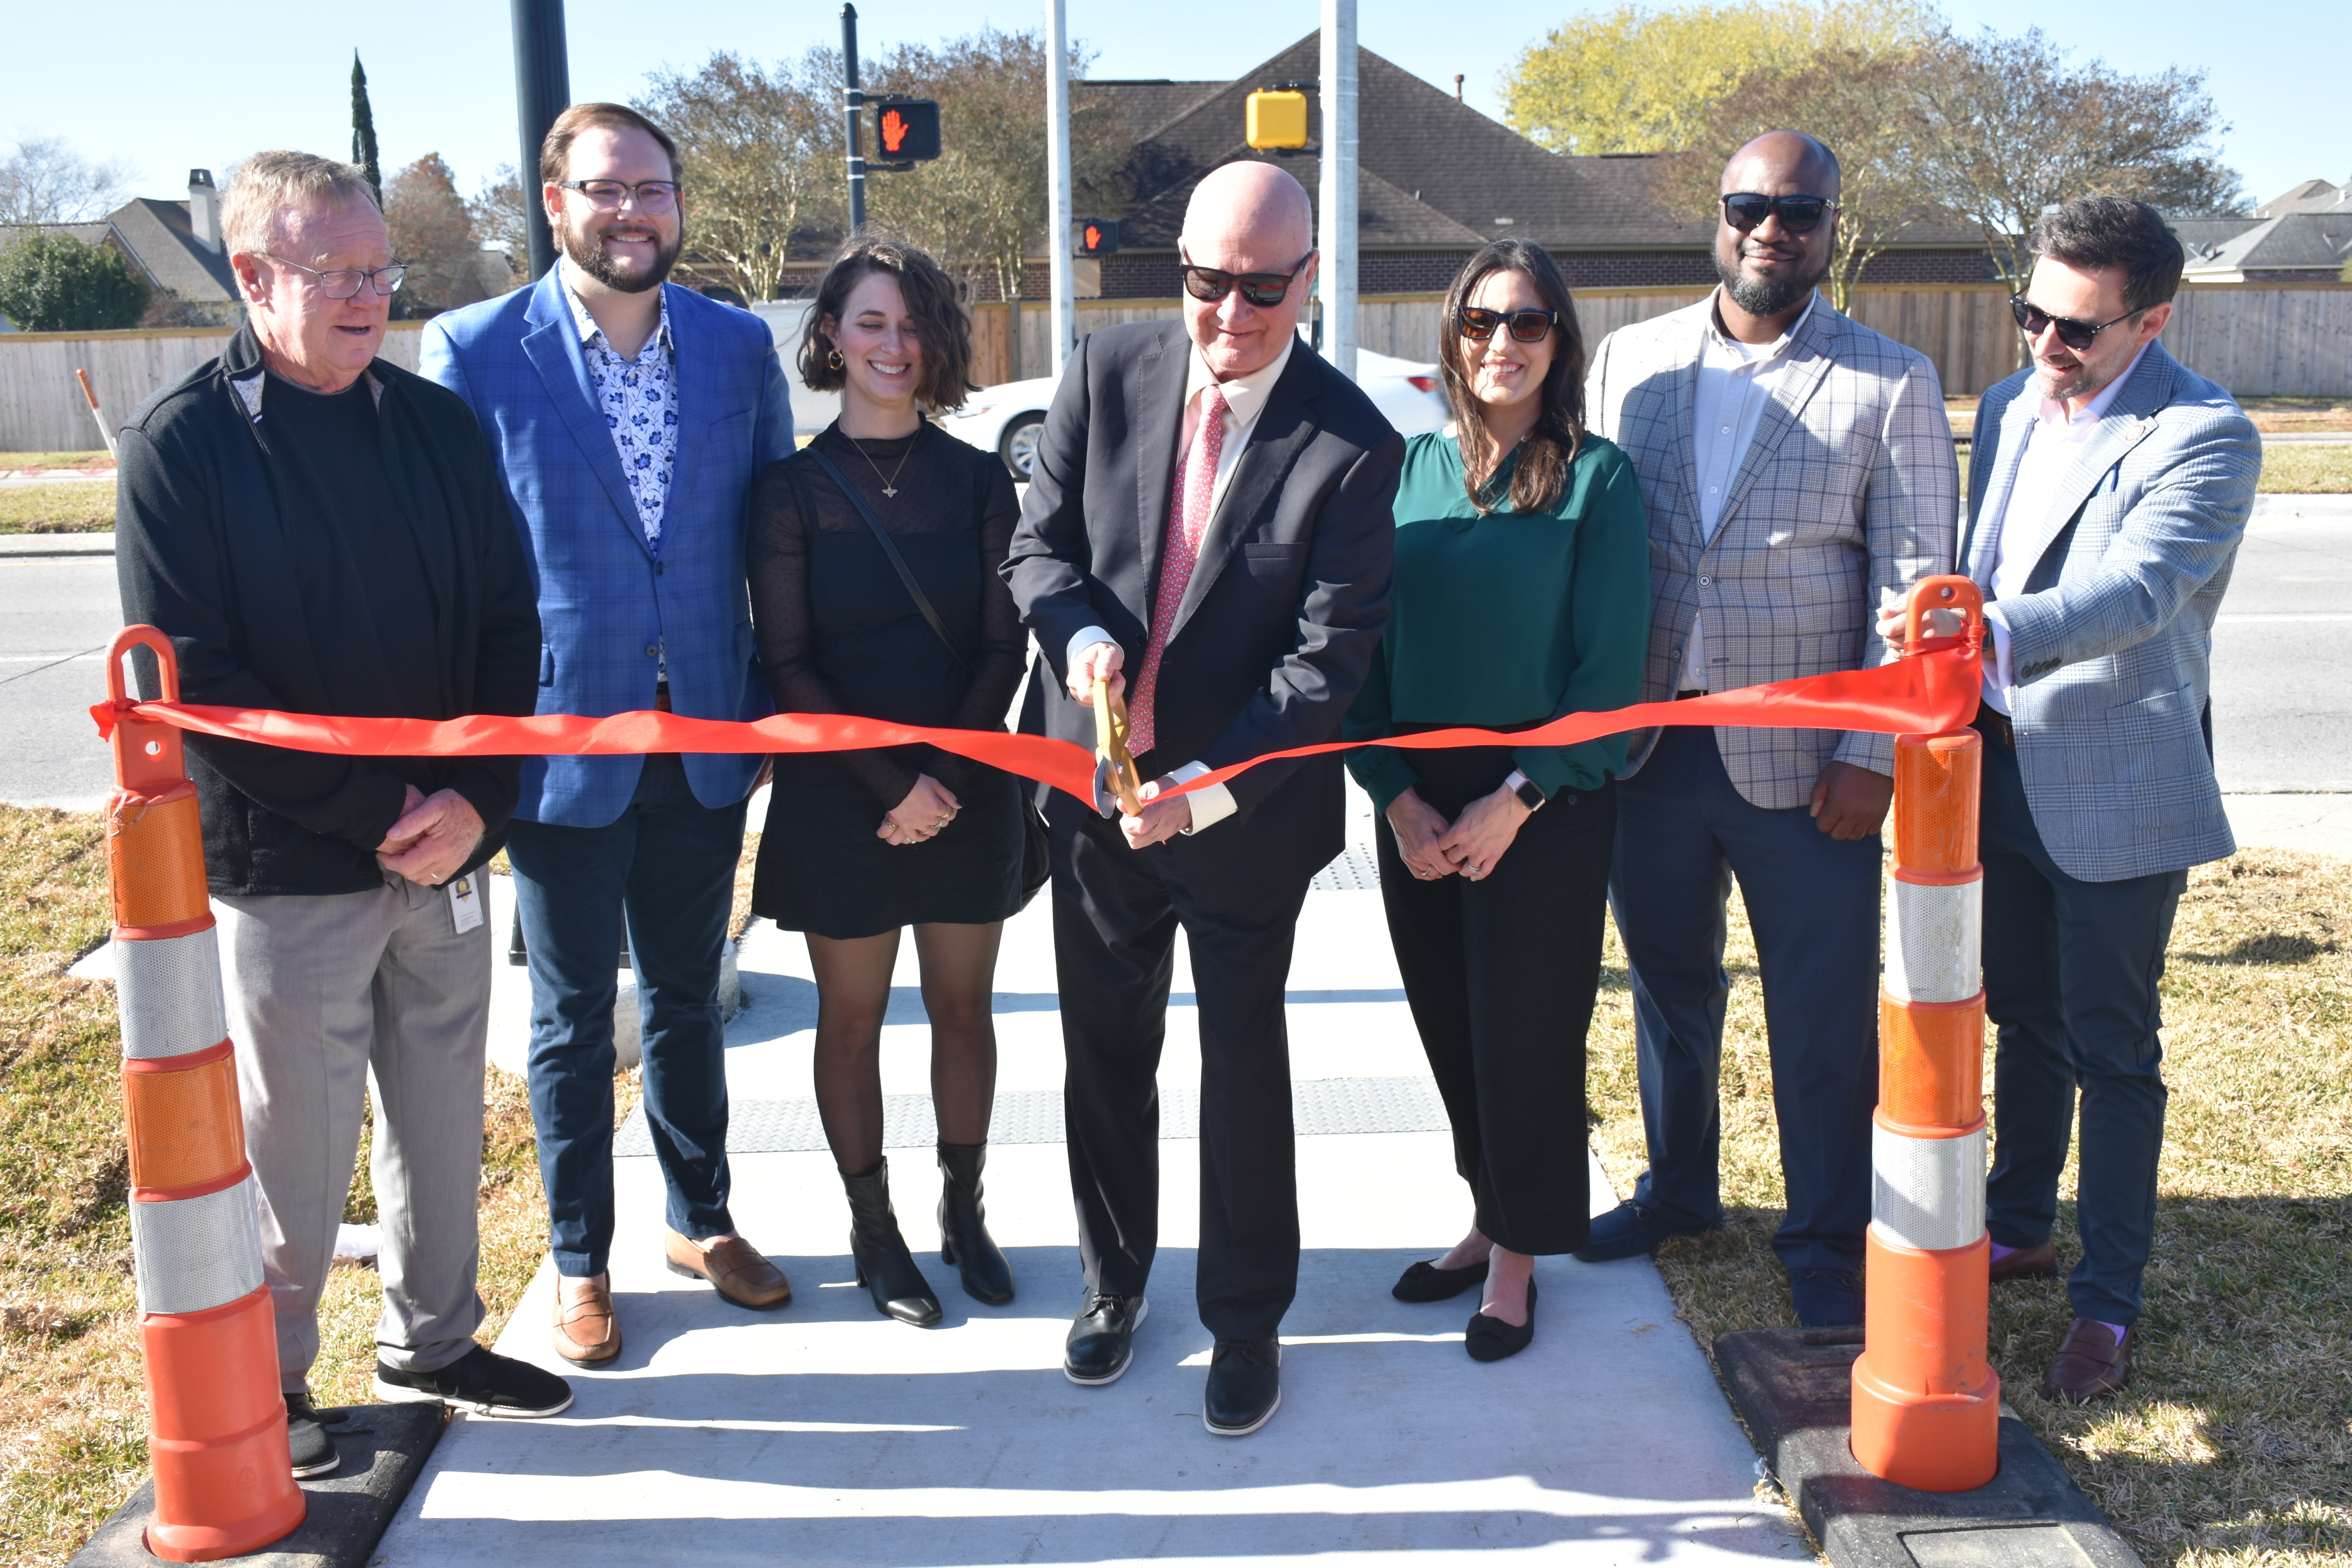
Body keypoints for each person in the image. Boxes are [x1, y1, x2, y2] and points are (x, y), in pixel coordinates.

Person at [113, 150, 562, 1479]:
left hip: (451, 848)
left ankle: (433, 1341)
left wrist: (478, 801)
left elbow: (506, 623)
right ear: (252, 278)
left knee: (438, 1115)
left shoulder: (433, 427)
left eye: (381, 271)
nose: (371, 297)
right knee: (293, 1155)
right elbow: (200, 682)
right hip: (291, 862)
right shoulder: (181, 447)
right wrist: (383, 811)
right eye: (337, 274)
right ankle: (278, 1385)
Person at [1003, 160, 1401, 1437]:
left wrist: (1199, 788)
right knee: (1104, 1057)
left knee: (1243, 1070)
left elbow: (1324, 669)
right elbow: (1039, 547)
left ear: (1309, 280)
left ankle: (1245, 1318)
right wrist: (1071, 638)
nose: (1228, 313)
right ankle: (1114, 1286)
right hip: (1092, 802)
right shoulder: (1105, 371)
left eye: (1260, 289)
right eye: (1205, 281)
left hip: (1241, 823)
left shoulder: (1352, 445)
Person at [419, 103, 796, 1368]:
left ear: (679, 202)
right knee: (575, 1019)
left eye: (651, 188)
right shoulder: (474, 351)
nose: (631, 212)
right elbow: (456, 571)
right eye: (603, 190)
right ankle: (580, 1261)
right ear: (553, 201)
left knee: (691, 1000)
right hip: (557, 754)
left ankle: (703, 1220)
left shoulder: (741, 350)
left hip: (704, 737)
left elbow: (772, 540)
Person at [1579, 130, 1958, 1328]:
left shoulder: (1889, 378)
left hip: (1807, 767)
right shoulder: (1629, 364)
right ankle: (1680, 1191)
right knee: (1668, 983)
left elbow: (1916, 582)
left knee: (1819, 1005)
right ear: (1719, 212)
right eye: (1751, 205)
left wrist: (1868, 751)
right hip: (1649, 750)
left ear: (1830, 227)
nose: (1770, 228)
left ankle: (1828, 1234)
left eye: (1799, 212)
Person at [1884, 197, 2257, 1401]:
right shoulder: (2005, 408)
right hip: (1995, 768)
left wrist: (1990, 628)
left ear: (2152, 319)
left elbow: (2142, 590)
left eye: (2078, 329)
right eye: (2031, 312)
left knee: (2114, 1050)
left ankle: (2109, 1304)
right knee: (2021, 1015)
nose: (2045, 343)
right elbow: (1985, 550)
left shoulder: (2208, 434)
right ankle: (2020, 1223)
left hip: (2118, 783)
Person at [1343, 239, 1648, 1361]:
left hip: (1544, 805)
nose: (1502, 343)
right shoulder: (1402, 473)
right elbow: (1358, 654)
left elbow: (1611, 673)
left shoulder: (1596, 478)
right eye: (1481, 321)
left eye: (1527, 322)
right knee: (1451, 1024)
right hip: (1419, 799)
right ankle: (1484, 1213)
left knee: (1525, 1035)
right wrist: (1395, 796)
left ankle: (1519, 1259)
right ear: (1452, 336)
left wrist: (1518, 797)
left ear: (1559, 340)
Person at [745, 236, 1026, 1328]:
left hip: (966, 783)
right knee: (851, 1019)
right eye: (871, 323)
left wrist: (941, 778)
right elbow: (789, 663)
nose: (892, 345)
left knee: (965, 1008)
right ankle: (876, 1232)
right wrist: (889, 786)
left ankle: (965, 1210)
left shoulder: (978, 478)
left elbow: (1005, 650)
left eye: (911, 325)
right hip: (839, 794)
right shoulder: (790, 491)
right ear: (830, 337)